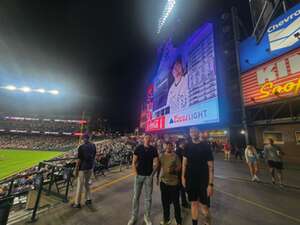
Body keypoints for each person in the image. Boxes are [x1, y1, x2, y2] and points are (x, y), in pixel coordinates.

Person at [182, 128, 214, 225]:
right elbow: (184, 163)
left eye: (195, 131)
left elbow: (211, 166)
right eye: (191, 132)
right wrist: (183, 177)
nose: (193, 133)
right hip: (191, 180)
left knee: (204, 206)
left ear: (198, 133)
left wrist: (210, 184)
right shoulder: (187, 146)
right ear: (190, 134)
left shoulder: (206, 146)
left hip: (203, 180)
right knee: (193, 203)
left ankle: (207, 218)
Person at [127, 134, 159, 225]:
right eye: (146, 138)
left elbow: (157, 163)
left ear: (151, 139)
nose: (147, 139)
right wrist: (136, 174)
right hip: (139, 177)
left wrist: (152, 175)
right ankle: (133, 217)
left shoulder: (153, 149)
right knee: (135, 197)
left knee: (148, 198)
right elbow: (133, 162)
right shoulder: (138, 148)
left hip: (148, 177)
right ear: (143, 139)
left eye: (149, 138)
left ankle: (147, 217)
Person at [157, 142, 182, 225]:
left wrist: (173, 170)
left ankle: (178, 221)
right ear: (164, 146)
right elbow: (158, 166)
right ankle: (166, 219)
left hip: (174, 184)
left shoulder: (175, 156)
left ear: (172, 147)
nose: (168, 147)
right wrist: (157, 177)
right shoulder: (161, 156)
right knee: (165, 203)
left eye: (170, 146)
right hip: (164, 183)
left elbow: (179, 167)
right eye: (166, 146)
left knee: (176, 203)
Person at [72, 133, 96, 208]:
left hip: (83, 168)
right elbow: (94, 156)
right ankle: (88, 199)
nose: (82, 140)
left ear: (84, 139)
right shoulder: (93, 145)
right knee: (87, 184)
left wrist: (76, 169)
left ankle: (77, 203)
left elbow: (79, 160)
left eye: (83, 138)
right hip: (90, 167)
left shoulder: (81, 147)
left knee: (80, 185)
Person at [175, 139, 189, 208]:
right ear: (181, 143)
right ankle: (183, 202)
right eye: (184, 142)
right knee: (182, 188)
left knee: (182, 188)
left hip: (184, 171)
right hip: (180, 172)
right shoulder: (178, 151)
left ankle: (184, 201)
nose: (185, 143)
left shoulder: (183, 150)